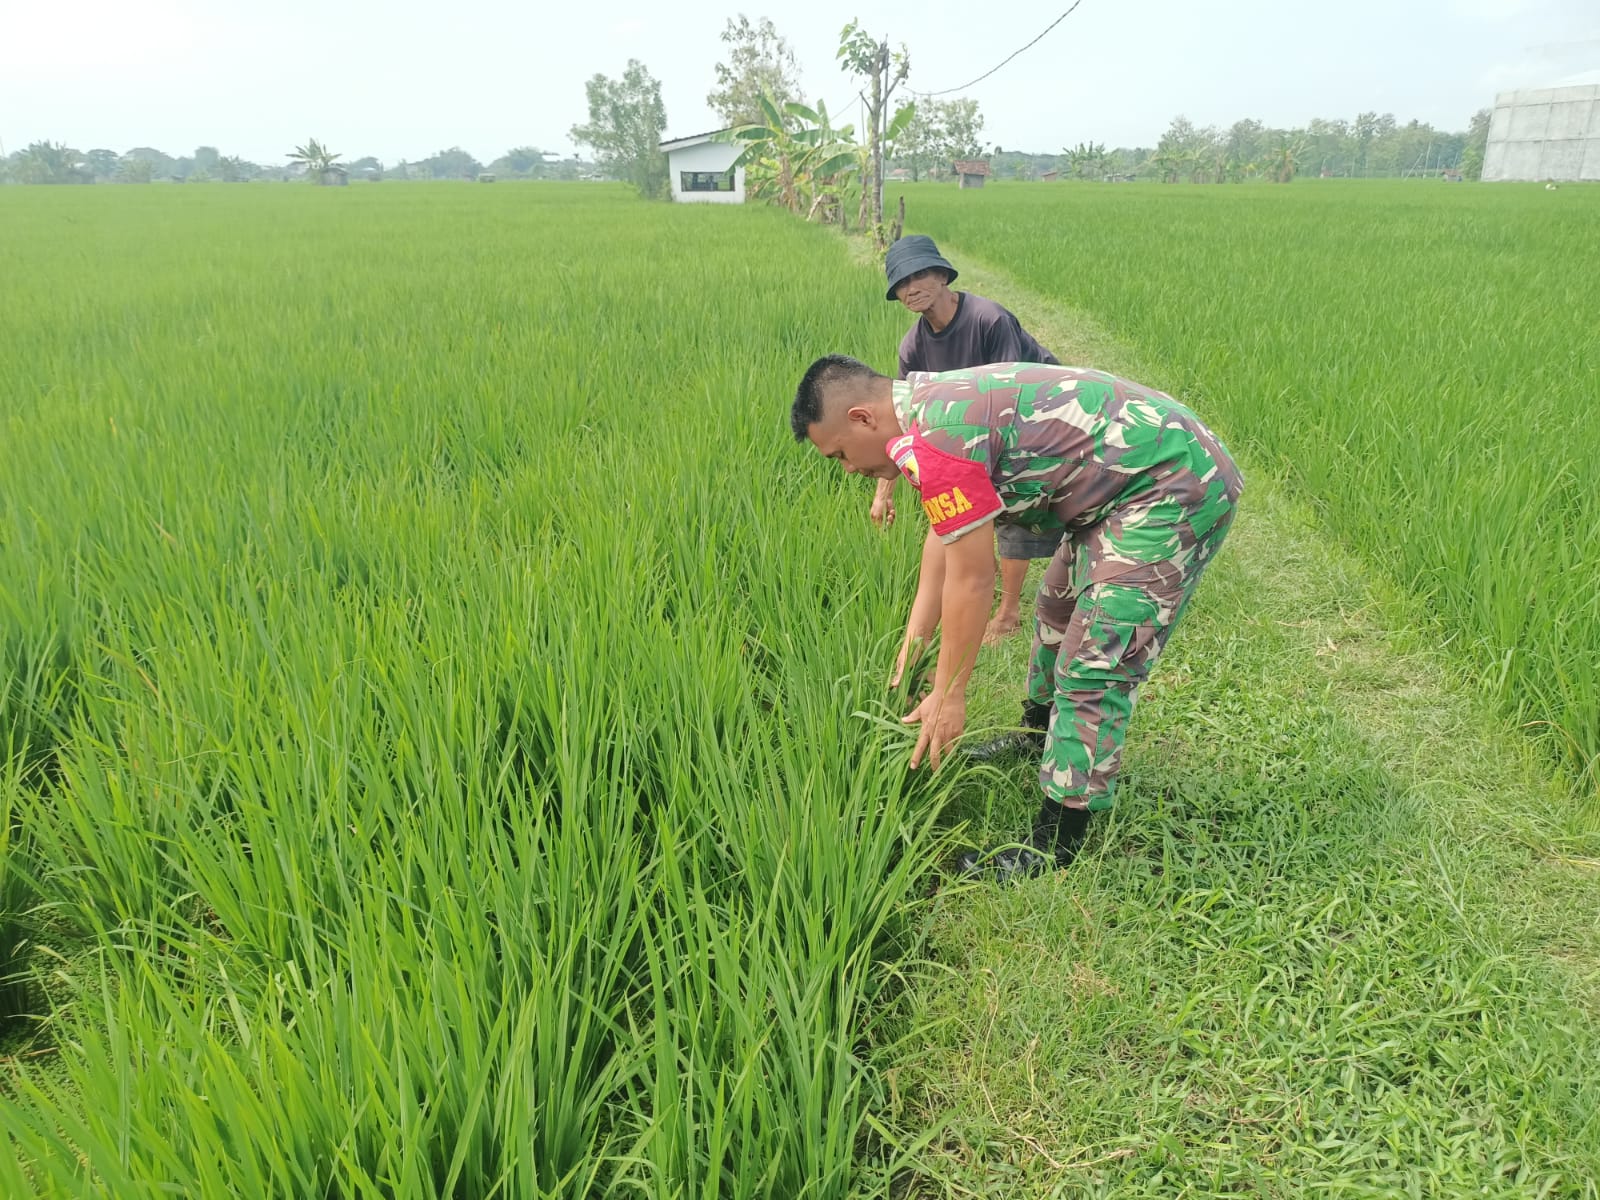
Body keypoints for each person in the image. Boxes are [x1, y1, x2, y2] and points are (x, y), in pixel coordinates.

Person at [792, 356, 1243, 883]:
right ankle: (1037, 736)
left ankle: (1058, 839)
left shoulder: (939, 437)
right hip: (1122, 488)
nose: (848, 469)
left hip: (1172, 483)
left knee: (1094, 658)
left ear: (862, 418)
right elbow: (943, 540)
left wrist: (950, 692)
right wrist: (914, 645)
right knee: (1055, 606)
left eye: (841, 454)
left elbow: (973, 578)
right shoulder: (922, 419)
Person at [872, 235, 1062, 644]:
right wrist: (883, 491)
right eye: (902, 283)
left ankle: (1008, 611)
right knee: (964, 503)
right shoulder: (913, 347)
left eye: (920, 275)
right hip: (973, 425)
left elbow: (1013, 389)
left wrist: (982, 465)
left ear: (942, 275)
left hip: (1034, 406)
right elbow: (911, 419)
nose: (911, 288)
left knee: (1011, 501)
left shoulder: (988, 320)